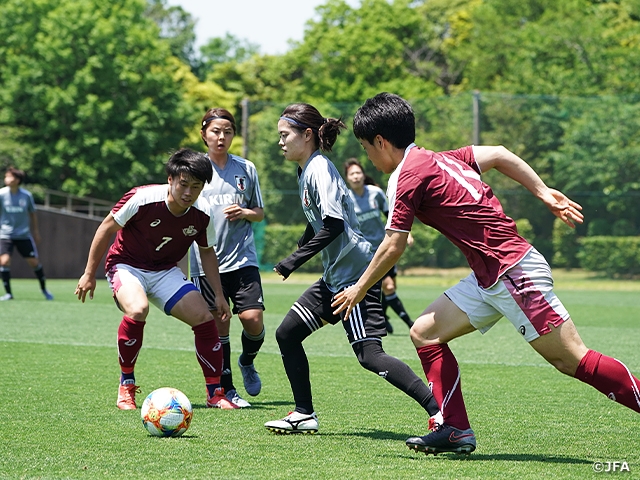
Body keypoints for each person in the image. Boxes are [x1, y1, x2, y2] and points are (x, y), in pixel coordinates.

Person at [332, 92, 640, 455]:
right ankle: (456, 429)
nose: (367, 155)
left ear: (380, 142)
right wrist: (541, 191)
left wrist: (358, 289)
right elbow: (497, 153)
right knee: (425, 333)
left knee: (570, 358)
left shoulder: (405, 177)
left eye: (366, 147)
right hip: (490, 276)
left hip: (512, 273)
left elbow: (393, 245)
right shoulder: (441, 159)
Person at [264, 103, 440, 434]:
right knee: (287, 334)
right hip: (335, 277)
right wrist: (299, 250)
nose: (280, 142)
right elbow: (317, 223)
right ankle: (304, 413)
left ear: (306, 135)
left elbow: (332, 226)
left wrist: (294, 260)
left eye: (284, 135)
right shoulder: (305, 170)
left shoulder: (320, 169)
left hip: (355, 276)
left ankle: (438, 409)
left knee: (370, 355)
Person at [75, 148, 235, 410]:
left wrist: (218, 295)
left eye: (196, 187)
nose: (188, 193)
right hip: (126, 266)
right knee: (138, 309)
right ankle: (126, 386)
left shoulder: (203, 212)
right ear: (170, 179)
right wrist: (89, 274)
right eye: (183, 184)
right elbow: (106, 227)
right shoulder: (142, 197)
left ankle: (215, 393)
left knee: (205, 319)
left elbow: (207, 252)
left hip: (165, 271)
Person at [189, 108, 266, 409]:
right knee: (220, 323)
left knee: (252, 319)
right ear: (204, 133)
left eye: (228, 132)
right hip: (206, 262)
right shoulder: (194, 169)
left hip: (243, 258)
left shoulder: (246, 168)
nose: (221, 137)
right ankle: (227, 389)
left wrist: (245, 212)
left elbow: (259, 213)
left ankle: (247, 360)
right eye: (215, 131)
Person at [343, 158, 413, 333]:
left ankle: (382, 319)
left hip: (386, 247)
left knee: (390, 289)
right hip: (367, 253)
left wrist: (407, 233)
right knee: (387, 286)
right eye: (352, 174)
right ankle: (409, 323)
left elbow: (393, 215)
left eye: (358, 172)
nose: (356, 176)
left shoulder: (375, 193)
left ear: (363, 174)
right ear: (347, 178)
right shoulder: (346, 199)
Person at [0, 167, 53, 301]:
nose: (6, 179)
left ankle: (44, 289)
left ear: (17, 180)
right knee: (4, 261)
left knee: (34, 262)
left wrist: (35, 232)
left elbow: (33, 214)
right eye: (6, 176)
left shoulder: (26, 196)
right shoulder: (1, 194)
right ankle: (8, 293)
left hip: (23, 235)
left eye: (9, 176)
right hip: (5, 235)